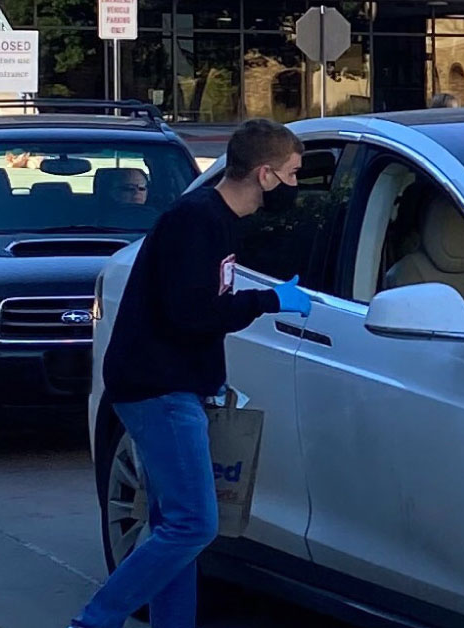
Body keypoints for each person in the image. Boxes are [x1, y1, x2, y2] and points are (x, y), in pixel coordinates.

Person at [69, 119, 311, 628]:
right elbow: (192, 312)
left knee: (172, 525)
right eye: (292, 174)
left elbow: (193, 310)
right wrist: (270, 300)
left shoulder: (214, 219)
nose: (295, 185)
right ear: (265, 175)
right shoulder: (196, 221)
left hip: (173, 384)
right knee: (193, 525)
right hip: (158, 388)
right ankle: (97, 618)